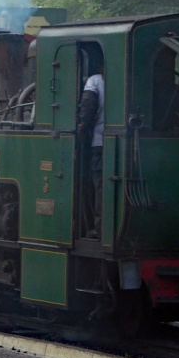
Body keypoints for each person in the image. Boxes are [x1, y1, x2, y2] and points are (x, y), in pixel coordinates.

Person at [78, 61, 104, 238]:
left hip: (99, 140)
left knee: (100, 185)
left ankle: (100, 227)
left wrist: (80, 129)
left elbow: (87, 108)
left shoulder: (95, 81)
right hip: (128, 145)